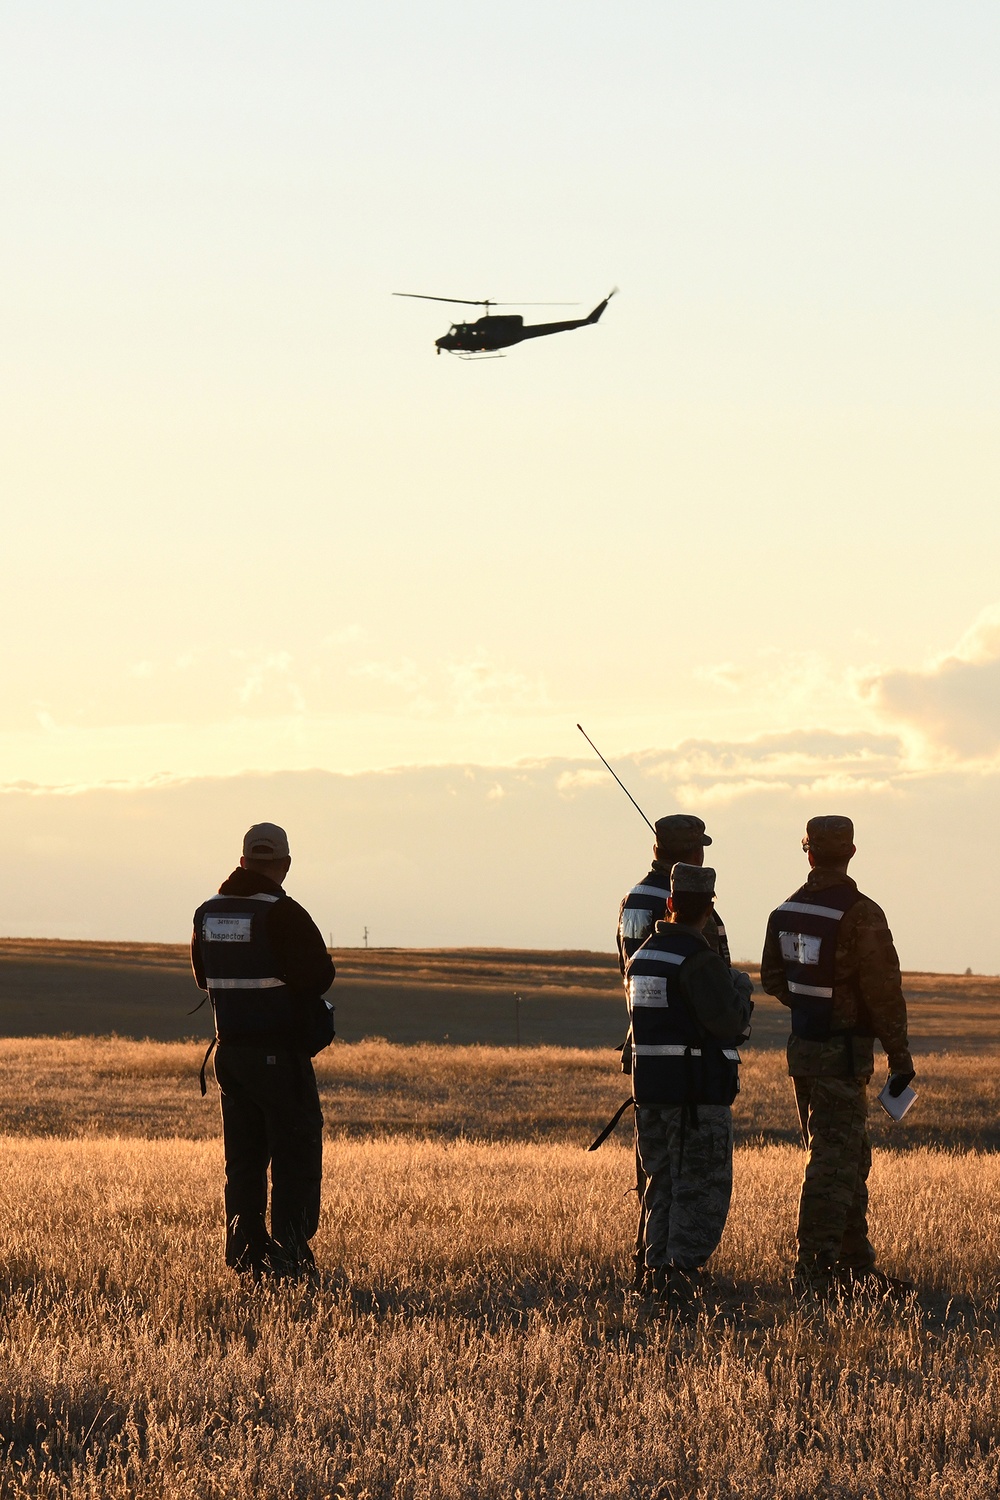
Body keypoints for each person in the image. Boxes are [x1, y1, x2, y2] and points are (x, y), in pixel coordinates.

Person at [760, 816, 915, 1298]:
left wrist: (811, 1005)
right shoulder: (861, 913)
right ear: (850, 852)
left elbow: (772, 978)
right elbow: (884, 993)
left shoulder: (783, 911)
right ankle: (814, 1273)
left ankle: (854, 1265)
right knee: (832, 1162)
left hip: (804, 1051)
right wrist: (899, 1055)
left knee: (848, 1156)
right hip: (843, 1055)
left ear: (808, 852)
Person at [191, 822, 335, 1279]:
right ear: (285, 865)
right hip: (280, 1057)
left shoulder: (207, 913)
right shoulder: (284, 913)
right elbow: (319, 977)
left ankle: (246, 1256)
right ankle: (290, 1256)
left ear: (242, 862)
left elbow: (202, 977)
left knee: (244, 1162)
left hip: (230, 1056)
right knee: (294, 1157)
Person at [623, 862, 754, 1303]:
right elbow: (729, 1024)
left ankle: (654, 1269)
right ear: (708, 910)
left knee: (660, 1186)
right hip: (695, 1099)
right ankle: (680, 1278)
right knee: (700, 1189)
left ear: (671, 903)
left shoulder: (642, 960)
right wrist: (738, 985)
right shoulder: (698, 962)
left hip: (650, 1096)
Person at [617, 814, 731, 975]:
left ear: (655, 851)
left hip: (637, 997)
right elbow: (708, 969)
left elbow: (625, 963)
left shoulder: (631, 898)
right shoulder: (690, 900)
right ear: (697, 854)